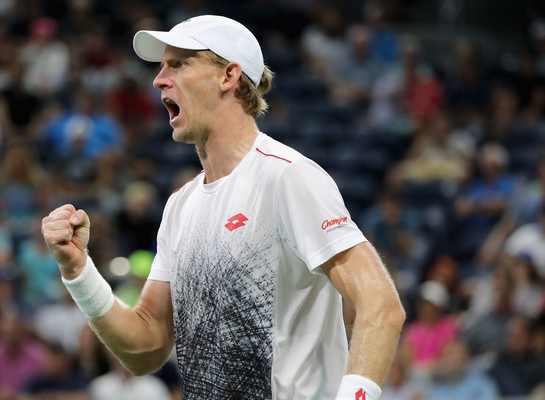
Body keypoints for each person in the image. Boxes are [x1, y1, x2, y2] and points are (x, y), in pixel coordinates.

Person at [41, 15, 405, 400]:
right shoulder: (180, 206)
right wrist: (78, 270)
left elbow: (380, 304)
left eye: (178, 64)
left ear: (228, 76)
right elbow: (145, 349)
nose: (158, 79)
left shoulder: (287, 177)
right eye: (162, 66)